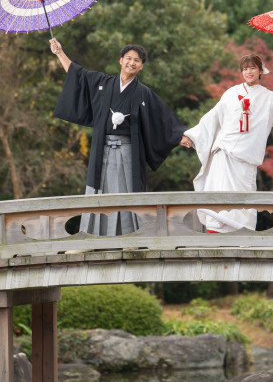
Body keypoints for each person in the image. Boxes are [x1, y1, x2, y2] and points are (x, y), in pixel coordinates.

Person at [50, 38, 189, 235]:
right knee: (98, 189)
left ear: (141, 66)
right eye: (128, 58)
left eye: (137, 60)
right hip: (102, 149)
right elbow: (77, 75)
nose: (132, 63)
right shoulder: (103, 83)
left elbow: (163, 118)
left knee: (128, 191)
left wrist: (179, 136)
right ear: (121, 60)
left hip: (128, 151)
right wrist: (59, 53)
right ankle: (91, 236)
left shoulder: (143, 93)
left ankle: (131, 237)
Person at [181, 54, 273, 233]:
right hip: (224, 153)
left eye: (252, 68)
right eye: (245, 69)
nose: (249, 72)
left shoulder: (268, 97)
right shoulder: (231, 93)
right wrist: (192, 136)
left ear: (260, 71)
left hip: (246, 158)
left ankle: (241, 236)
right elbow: (213, 116)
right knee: (218, 194)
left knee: (242, 200)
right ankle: (214, 233)